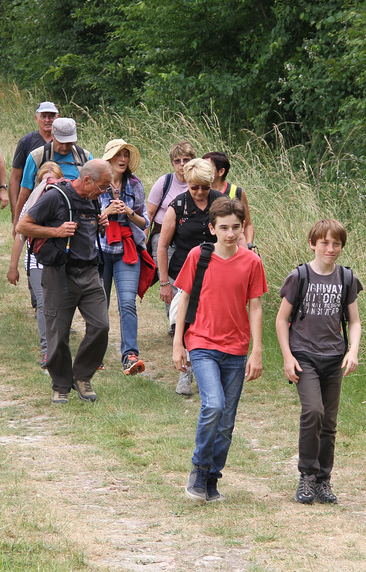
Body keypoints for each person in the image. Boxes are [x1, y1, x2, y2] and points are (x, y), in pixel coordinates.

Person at [171, 197, 266, 502]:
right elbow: (183, 298)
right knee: (213, 405)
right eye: (223, 227)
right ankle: (198, 469)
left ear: (243, 229)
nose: (230, 233)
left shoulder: (252, 261)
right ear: (211, 228)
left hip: (236, 348)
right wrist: (179, 344)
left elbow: (255, 306)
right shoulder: (199, 256)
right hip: (202, 343)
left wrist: (257, 351)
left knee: (227, 419)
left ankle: (213, 478)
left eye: (236, 228)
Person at [275, 219, 362, 506]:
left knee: (329, 421)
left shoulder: (346, 279)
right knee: (313, 411)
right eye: (325, 242)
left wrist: (353, 351)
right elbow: (281, 319)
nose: (331, 248)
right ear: (313, 244)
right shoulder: (299, 276)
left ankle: (324, 480)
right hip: (304, 356)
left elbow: (355, 321)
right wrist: (288, 357)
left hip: (334, 357)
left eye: (336, 243)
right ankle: (307, 476)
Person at [16, 159, 113, 404]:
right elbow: (23, 225)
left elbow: (85, 229)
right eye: (102, 187)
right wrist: (56, 232)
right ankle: (60, 384)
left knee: (101, 325)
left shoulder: (94, 198)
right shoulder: (56, 197)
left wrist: (99, 224)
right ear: (87, 179)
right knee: (57, 333)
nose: (104, 192)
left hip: (90, 272)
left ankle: (81, 376)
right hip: (59, 273)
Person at [156, 158, 224, 396]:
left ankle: (211, 370)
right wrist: (165, 282)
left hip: (215, 273)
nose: (199, 192)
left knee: (211, 324)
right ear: (187, 183)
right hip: (182, 272)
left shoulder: (221, 203)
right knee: (182, 323)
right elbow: (163, 246)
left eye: (204, 187)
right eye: (194, 187)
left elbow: (236, 234)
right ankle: (184, 374)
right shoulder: (178, 205)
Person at [97, 139, 149, 375]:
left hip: (127, 249)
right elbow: (87, 220)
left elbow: (144, 222)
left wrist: (128, 212)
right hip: (100, 250)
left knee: (127, 303)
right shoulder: (97, 183)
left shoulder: (135, 185)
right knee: (99, 304)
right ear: (108, 158)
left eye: (126, 155)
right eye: (118, 155)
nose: (123, 159)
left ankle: (130, 355)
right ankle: (95, 354)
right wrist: (105, 213)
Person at [7, 161, 64, 368]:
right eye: (43, 182)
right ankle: (47, 350)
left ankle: (57, 345)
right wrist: (13, 267)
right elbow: (20, 235)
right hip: (36, 260)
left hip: (59, 261)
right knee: (43, 303)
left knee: (57, 304)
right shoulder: (31, 205)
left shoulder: (65, 201)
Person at [15, 117, 91, 227]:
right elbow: (25, 193)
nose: (65, 147)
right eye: (61, 142)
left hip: (76, 219)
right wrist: (17, 225)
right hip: (43, 219)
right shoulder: (36, 157)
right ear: (53, 135)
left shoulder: (85, 157)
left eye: (69, 143)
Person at [9, 101, 58, 226]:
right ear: (36, 119)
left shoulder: (65, 142)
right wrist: (15, 212)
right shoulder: (27, 142)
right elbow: (15, 178)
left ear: (57, 118)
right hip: (34, 202)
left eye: (51, 116)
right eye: (44, 116)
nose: (48, 120)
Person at [145, 141, 195, 259]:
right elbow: (149, 213)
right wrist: (143, 243)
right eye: (177, 161)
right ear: (172, 163)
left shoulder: (198, 184)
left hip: (190, 238)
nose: (182, 164)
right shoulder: (164, 182)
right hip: (162, 235)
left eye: (186, 160)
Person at [202, 151, 255, 249]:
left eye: (207, 167)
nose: (202, 170)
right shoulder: (199, 191)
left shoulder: (237, 192)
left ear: (221, 171)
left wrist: (249, 246)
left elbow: (247, 224)